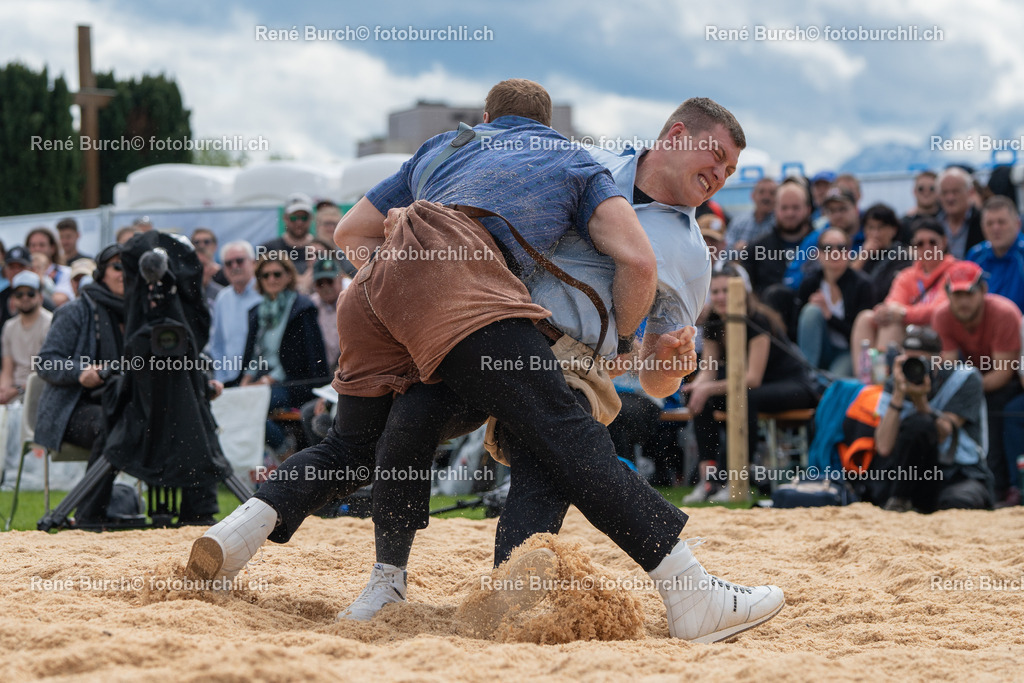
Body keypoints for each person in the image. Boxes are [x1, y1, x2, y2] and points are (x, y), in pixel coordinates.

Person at [187, 82, 784, 644]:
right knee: (417, 423)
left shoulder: (688, 251)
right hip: (487, 329)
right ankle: (391, 578)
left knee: (538, 466)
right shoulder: (579, 159)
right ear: (676, 134)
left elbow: (655, 381)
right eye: (717, 156)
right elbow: (633, 260)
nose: (721, 175)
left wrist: (665, 362)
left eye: (731, 170)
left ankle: (510, 593)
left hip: (552, 356)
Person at [684, 265, 819, 502]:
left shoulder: (759, 320)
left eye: (727, 290)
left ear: (743, 292)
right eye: (715, 292)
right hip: (750, 388)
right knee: (697, 396)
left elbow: (752, 378)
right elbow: (709, 371)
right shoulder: (715, 322)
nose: (720, 297)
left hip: (792, 385)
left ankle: (735, 479)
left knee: (744, 396)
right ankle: (709, 479)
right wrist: (698, 387)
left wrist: (706, 387)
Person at [34, 245, 127, 524]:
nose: (124, 274)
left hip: (119, 404)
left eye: (129, 268)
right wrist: (80, 372)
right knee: (114, 426)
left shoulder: (139, 313)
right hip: (71, 409)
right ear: (101, 275)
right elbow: (46, 362)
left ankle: (185, 516)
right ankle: (88, 518)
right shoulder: (75, 311)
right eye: (117, 267)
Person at [872, 325, 993, 513]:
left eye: (922, 361)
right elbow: (884, 446)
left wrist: (920, 399)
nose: (915, 368)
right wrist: (898, 394)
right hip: (912, 475)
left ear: (940, 360)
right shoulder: (894, 383)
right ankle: (900, 500)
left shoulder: (964, 378)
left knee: (959, 503)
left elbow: (943, 432)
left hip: (956, 471)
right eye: (909, 360)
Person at [930, 260, 1022, 505]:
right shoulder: (942, 315)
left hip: (1006, 384)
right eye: (956, 294)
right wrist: (965, 394)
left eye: (968, 293)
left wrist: (967, 393)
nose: (962, 301)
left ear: (983, 291)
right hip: (971, 380)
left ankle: (1006, 487)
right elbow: (947, 369)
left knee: (997, 412)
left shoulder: (1005, 312)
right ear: (947, 294)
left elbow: (1005, 371)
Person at [239, 253, 327, 456]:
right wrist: (246, 378)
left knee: (253, 405)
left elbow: (314, 355)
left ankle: (284, 451)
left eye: (277, 274)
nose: (271, 279)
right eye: (265, 275)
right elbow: (252, 354)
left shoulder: (303, 308)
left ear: (289, 276)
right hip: (261, 382)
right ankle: (277, 452)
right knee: (229, 401)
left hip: (294, 383)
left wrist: (270, 379)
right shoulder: (256, 311)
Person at [850, 217, 958, 377]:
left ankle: (882, 384)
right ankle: (865, 382)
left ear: (943, 242)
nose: (927, 247)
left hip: (936, 332)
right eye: (920, 244)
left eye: (932, 242)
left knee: (892, 323)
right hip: (910, 328)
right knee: (865, 318)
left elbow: (939, 310)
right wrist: (884, 311)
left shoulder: (955, 271)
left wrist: (903, 314)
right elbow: (893, 302)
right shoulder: (907, 274)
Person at [796, 229, 874, 376]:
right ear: (818, 253)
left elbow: (862, 334)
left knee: (834, 385)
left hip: (849, 351)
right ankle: (806, 373)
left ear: (850, 252)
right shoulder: (810, 283)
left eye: (841, 248)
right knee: (811, 311)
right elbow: (796, 325)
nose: (835, 252)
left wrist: (829, 316)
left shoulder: (862, 285)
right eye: (827, 248)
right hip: (820, 347)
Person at [206, 241, 261, 385]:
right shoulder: (222, 298)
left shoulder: (264, 293)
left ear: (253, 263)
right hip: (228, 380)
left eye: (240, 261)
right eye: (229, 263)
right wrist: (220, 379)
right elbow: (217, 343)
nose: (234, 266)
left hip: (258, 379)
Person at [0, 272, 52, 404]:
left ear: (40, 296)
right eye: (19, 294)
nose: (25, 298)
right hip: (14, 393)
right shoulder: (9, 326)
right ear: (13, 299)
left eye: (30, 293)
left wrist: (17, 390)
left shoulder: (51, 323)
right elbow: (7, 368)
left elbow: (46, 370)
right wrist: (4, 391)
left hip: (41, 391)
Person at [966, 195, 1024, 312]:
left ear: (1018, 224)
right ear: (982, 227)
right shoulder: (976, 255)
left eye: (1001, 222)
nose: (995, 228)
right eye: (989, 223)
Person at [850, 203, 912, 306]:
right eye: (870, 227)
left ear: (893, 229)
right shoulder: (861, 256)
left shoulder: (902, 257)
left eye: (881, 227)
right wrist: (863, 256)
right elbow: (846, 282)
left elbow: (881, 290)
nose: (875, 234)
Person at [260, 196, 316, 276]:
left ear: (311, 219)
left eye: (304, 218)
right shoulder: (268, 249)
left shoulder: (321, 249)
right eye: (293, 218)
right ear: (285, 218)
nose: (299, 222)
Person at [937, 167, 984, 259]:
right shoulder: (933, 224)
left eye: (955, 191)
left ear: (970, 192)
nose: (950, 198)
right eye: (945, 192)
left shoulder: (984, 222)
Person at [26, 227, 74, 306]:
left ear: (52, 248)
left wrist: (41, 279)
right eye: (33, 245)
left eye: (42, 245)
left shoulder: (66, 272)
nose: (37, 249)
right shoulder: (24, 273)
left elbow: (60, 300)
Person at [725, 177, 776, 251]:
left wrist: (746, 248)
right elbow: (724, 252)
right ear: (753, 195)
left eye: (772, 193)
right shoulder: (739, 223)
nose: (766, 197)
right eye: (761, 192)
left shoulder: (780, 225)